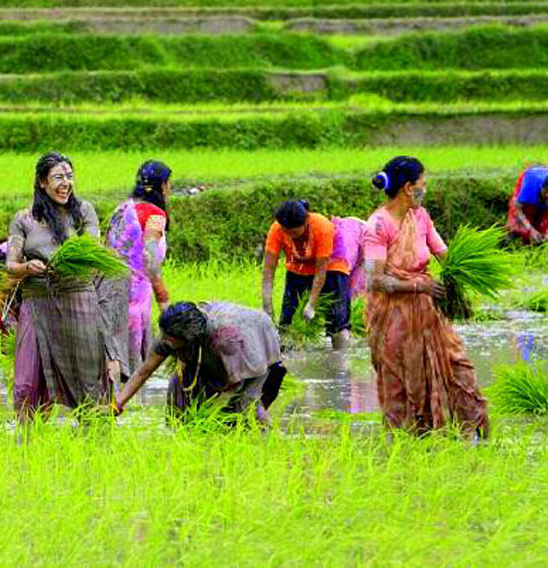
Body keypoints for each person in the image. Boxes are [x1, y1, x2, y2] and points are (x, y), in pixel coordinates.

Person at [364, 155, 489, 439]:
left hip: (428, 314)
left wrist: (463, 281)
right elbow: (374, 279)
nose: (426, 189)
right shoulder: (378, 226)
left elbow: (445, 255)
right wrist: (419, 287)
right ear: (409, 187)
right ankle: (406, 445)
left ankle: (472, 431)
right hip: (392, 318)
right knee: (401, 383)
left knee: (460, 369)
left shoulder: (420, 216)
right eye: (423, 184)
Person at [6, 152, 107, 422]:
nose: (66, 183)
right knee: (27, 380)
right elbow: (11, 266)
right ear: (42, 182)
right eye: (58, 178)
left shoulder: (84, 212)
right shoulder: (23, 218)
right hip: (36, 302)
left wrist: (69, 263)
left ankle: (94, 435)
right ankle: (27, 443)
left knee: (87, 380)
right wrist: (28, 268)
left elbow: (94, 254)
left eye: (70, 177)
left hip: (78, 301)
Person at [113, 302, 286, 425]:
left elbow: (234, 385)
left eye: (170, 340)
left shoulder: (225, 339)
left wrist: (206, 416)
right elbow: (143, 372)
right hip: (212, 352)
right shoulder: (170, 332)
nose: (164, 342)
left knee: (245, 406)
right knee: (177, 394)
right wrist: (118, 403)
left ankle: (268, 437)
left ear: (188, 339)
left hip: (254, 347)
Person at [103, 160, 173, 386]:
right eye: (169, 184)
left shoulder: (121, 209)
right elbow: (151, 261)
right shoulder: (155, 215)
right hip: (134, 299)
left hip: (108, 289)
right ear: (162, 186)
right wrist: (164, 301)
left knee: (111, 358)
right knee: (134, 370)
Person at [261, 200, 355, 349]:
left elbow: (320, 272)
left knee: (338, 322)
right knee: (287, 323)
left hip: (332, 266)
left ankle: (341, 363)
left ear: (306, 221)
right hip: (298, 267)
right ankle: (286, 358)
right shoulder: (277, 229)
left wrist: (311, 304)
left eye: (295, 232)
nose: (291, 236)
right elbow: (268, 270)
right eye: (287, 232)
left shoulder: (322, 227)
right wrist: (267, 305)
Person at [507, 166, 548, 245]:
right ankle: (511, 238)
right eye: (546, 192)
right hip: (531, 177)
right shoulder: (530, 186)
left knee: (543, 226)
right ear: (542, 187)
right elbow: (518, 208)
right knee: (519, 222)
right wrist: (530, 229)